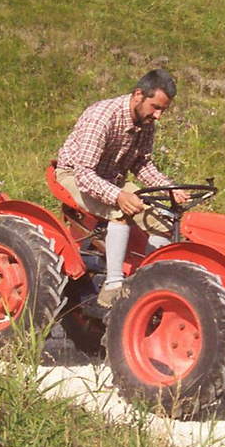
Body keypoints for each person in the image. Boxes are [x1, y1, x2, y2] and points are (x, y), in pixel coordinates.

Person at [56, 69, 186, 307]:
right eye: (155, 107)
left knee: (166, 223)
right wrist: (118, 196)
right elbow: (84, 173)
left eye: (163, 110)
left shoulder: (146, 123)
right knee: (121, 210)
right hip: (74, 175)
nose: (158, 116)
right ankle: (112, 287)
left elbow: (141, 164)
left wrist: (170, 189)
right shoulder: (102, 117)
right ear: (138, 94)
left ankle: (144, 282)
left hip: (112, 177)